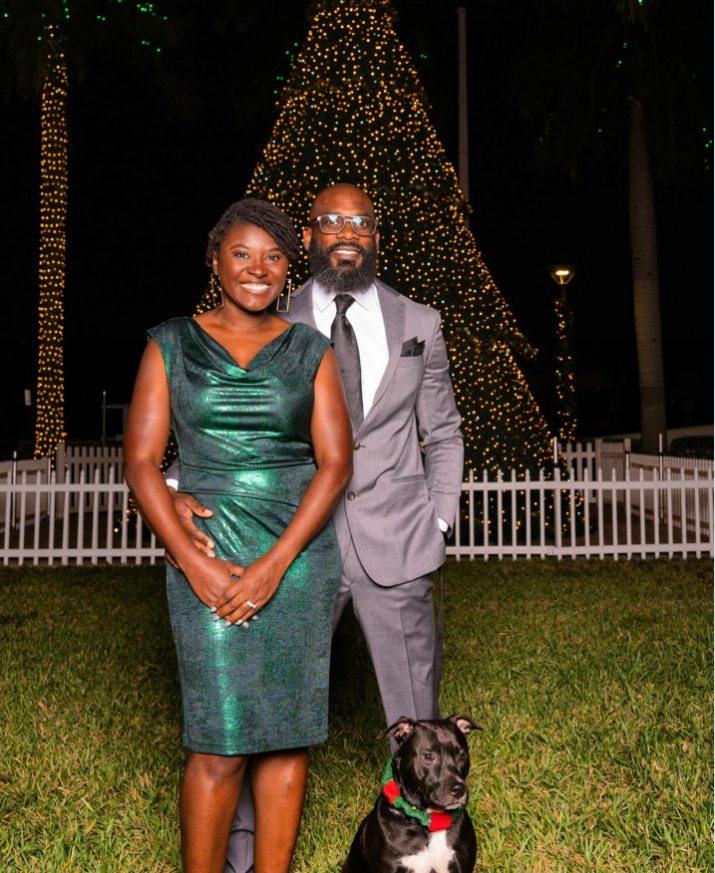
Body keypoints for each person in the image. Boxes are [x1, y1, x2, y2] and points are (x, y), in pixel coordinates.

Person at [168, 183, 464, 873]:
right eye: (330, 219)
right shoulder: (271, 312)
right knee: (260, 707)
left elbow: (442, 431)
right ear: (307, 235)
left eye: (359, 219)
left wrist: (438, 521)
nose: (345, 230)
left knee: (419, 720)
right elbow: (231, 414)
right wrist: (178, 485)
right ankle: (241, 856)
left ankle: (430, 853)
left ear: (375, 233)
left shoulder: (421, 320)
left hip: (396, 543)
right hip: (292, 547)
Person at [124, 198, 353, 873]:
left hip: (298, 555)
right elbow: (140, 461)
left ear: (288, 269)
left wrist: (277, 564)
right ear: (215, 259)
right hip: (208, 551)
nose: (258, 269)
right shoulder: (170, 342)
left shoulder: (310, 348)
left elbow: (336, 462)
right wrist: (189, 560)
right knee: (218, 743)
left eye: (274, 257)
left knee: (286, 739)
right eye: (243, 254)